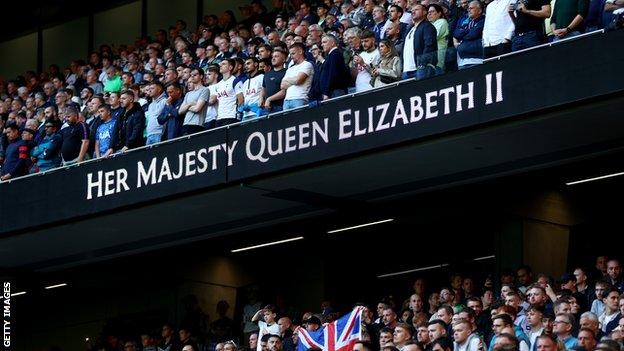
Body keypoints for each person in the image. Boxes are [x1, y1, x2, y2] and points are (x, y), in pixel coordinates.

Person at [402, 4, 438, 80]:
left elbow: (429, 45)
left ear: (425, 12)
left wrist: (423, 63)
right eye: (412, 11)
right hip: (406, 70)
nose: (413, 12)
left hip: (421, 68)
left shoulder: (427, 26)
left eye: (416, 10)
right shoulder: (409, 29)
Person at [281, 43, 314, 110]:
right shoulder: (290, 68)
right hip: (287, 100)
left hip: (300, 99)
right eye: (290, 54)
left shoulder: (307, 64)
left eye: (293, 53)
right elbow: (282, 85)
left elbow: (298, 80)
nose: (291, 57)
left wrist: (288, 80)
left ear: (300, 52)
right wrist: (294, 80)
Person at [453, 0, 485, 69]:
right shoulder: (465, 22)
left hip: (477, 61)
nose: (469, 10)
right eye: (468, 8)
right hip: (462, 61)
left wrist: (462, 34)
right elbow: (456, 33)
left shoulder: (483, 21)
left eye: (471, 8)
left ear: (479, 11)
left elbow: (473, 34)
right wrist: (468, 31)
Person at [319, 34, 351, 99]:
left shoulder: (335, 54)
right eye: (322, 43)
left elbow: (333, 74)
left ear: (333, 43)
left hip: (336, 92)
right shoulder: (332, 55)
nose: (322, 45)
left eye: (324, 42)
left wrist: (326, 92)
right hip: (333, 92)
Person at [179, 68, 209, 134]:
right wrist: (190, 104)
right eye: (191, 75)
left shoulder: (205, 90)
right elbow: (180, 111)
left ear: (201, 76)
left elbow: (197, 109)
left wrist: (186, 107)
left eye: (195, 75)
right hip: (185, 124)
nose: (192, 76)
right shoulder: (188, 94)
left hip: (197, 125)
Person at [260, 48, 288, 113]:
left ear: (283, 59)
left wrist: (269, 99)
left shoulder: (287, 72)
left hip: (280, 107)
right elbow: (263, 88)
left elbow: (285, 91)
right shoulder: (267, 74)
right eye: (273, 56)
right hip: (267, 107)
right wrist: (261, 98)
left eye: (276, 56)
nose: (273, 58)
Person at [427, 4, 449, 73]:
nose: (429, 14)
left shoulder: (442, 22)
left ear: (439, 13)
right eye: (428, 12)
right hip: (429, 60)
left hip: (438, 60)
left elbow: (432, 37)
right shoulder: (429, 25)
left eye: (432, 11)